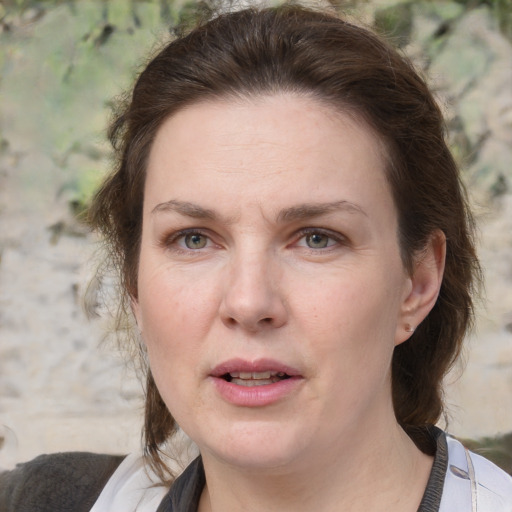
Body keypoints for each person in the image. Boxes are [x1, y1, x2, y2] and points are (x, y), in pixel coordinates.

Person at [1, 4, 511, 511]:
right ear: (134, 285)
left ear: (417, 281)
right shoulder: (42, 501)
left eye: (316, 238)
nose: (248, 302)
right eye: (193, 239)